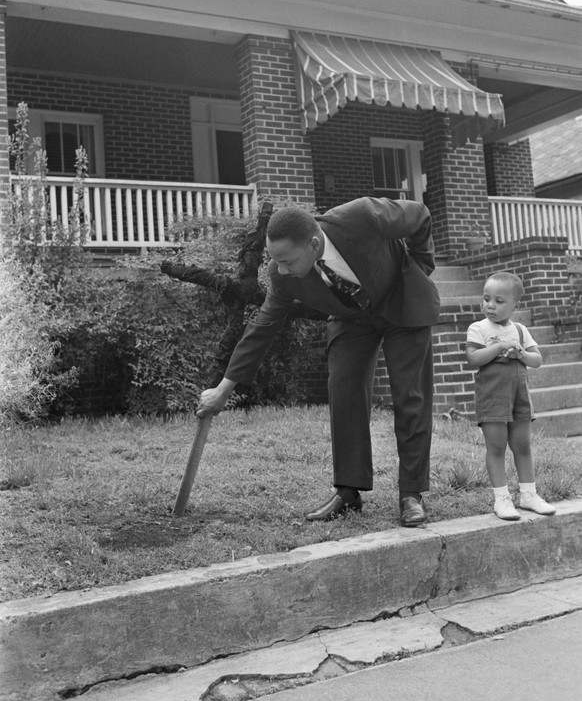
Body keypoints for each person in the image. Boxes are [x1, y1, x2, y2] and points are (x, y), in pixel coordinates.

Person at [196, 197, 441, 527]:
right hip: (352, 317)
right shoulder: (283, 275)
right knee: (344, 391)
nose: (280, 270)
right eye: (275, 261)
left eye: (286, 261)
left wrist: (421, 266)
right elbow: (262, 327)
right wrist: (225, 388)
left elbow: (420, 215)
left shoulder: (361, 217)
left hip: (401, 299)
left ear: (313, 244)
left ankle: (411, 493)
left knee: (410, 396)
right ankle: (349, 491)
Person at [465, 271, 556, 521]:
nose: (490, 305)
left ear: (515, 304)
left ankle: (528, 495)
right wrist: (498, 347)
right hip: (492, 395)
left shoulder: (520, 329)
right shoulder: (479, 328)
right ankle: (502, 499)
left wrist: (521, 355)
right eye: (486, 299)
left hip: (519, 395)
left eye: (498, 300)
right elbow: (473, 358)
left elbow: (536, 359)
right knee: (496, 446)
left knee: (522, 445)